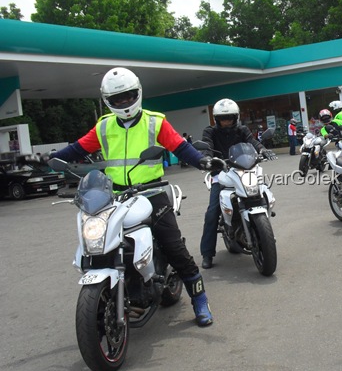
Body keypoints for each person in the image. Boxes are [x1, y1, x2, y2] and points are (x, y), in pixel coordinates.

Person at [50, 67, 216, 327]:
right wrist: (51, 160)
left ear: (137, 93)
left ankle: (200, 299)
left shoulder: (155, 122)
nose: (124, 102)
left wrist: (203, 161)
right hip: (115, 197)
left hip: (152, 192)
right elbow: (76, 149)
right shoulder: (104, 126)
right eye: (117, 99)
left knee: (174, 247)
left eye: (128, 96)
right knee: (102, 244)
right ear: (108, 100)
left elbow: (180, 147)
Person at [200, 99, 275, 269]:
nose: (226, 122)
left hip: (243, 170)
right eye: (222, 119)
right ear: (216, 119)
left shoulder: (242, 130)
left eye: (230, 118)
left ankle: (262, 229)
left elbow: (252, 142)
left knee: (261, 191)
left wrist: (262, 149)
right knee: (212, 213)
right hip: (221, 173)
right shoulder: (210, 132)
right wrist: (207, 159)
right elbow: (206, 147)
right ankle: (207, 253)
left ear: (236, 117)